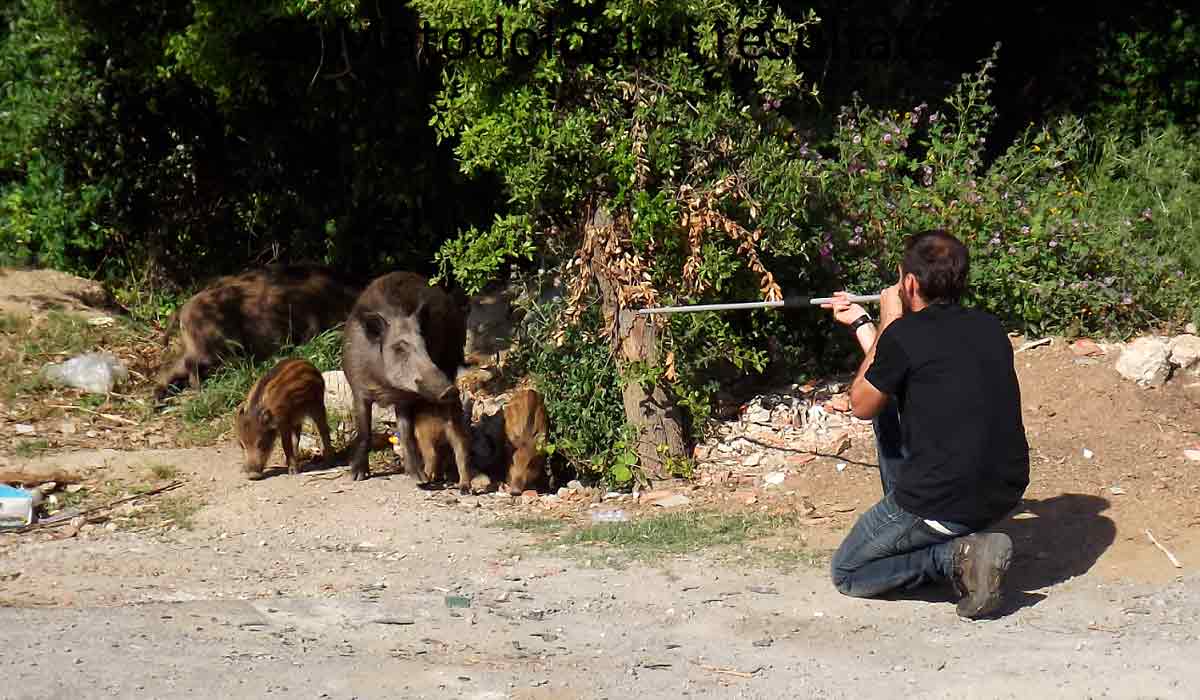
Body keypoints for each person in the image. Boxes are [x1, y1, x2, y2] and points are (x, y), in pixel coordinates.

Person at [822, 229, 1030, 619]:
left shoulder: (903, 333)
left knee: (849, 571)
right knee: (892, 404)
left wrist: (887, 319)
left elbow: (861, 404)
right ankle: (955, 544)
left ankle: (955, 558)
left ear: (910, 282)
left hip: (940, 499)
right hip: (1001, 491)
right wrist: (863, 323)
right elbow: (896, 370)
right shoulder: (989, 328)